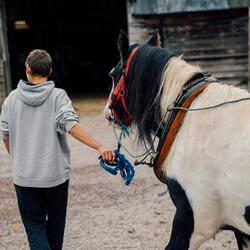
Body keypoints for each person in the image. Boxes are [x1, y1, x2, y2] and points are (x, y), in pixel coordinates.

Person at [0, 49, 116, 250]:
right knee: (55, 227)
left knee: (35, 229)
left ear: (27, 68)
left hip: (24, 177)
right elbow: (71, 126)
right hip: (54, 177)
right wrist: (99, 145)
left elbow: (5, 134)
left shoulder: (11, 99)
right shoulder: (58, 96)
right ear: (50, 70)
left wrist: (19, 160)